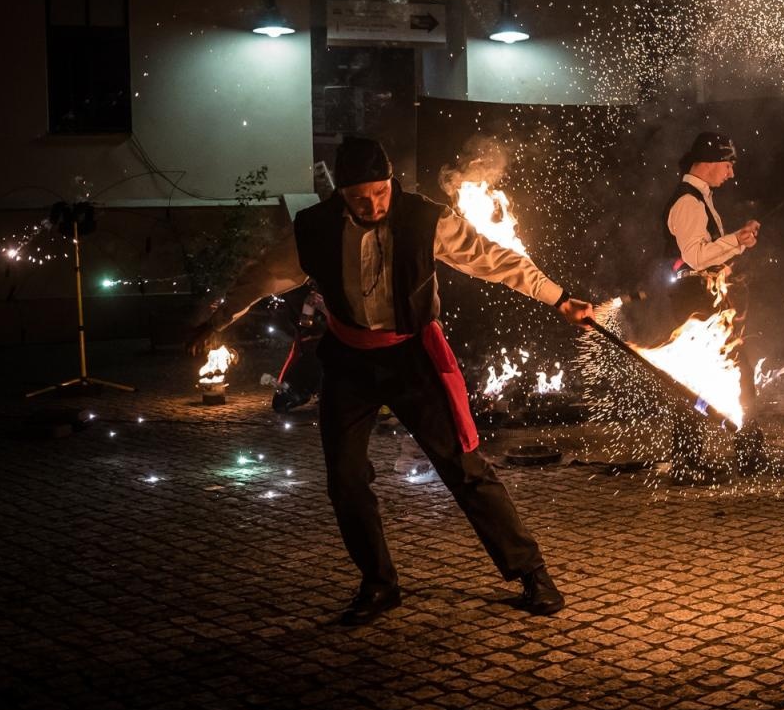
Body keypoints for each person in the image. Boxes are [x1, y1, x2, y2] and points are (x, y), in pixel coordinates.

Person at [187, 137, 593, 624]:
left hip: (412, 358)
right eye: (361, 197)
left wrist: (558, 298)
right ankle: (379, 584)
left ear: (390, 184)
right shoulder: (314, 229)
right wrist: (216, 320)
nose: (373, 204)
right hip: (349, 362)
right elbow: (261, 278)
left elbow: (494, 258)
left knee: (464, 468)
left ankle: (530, 571)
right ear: (342, 193)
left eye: (381, 193)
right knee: (345, 478)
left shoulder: (425, 218)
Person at [656, 132, 766, 477]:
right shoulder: (688, 202)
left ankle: (696, 458)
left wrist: (737, 241)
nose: (731, 173)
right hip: (695, 301)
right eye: (728, 164)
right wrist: (735, 241)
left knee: (712, 374)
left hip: (700, 299)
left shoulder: (698, 197)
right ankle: (737, 457)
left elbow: (703, 251)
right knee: (731, 372)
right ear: (708, 161)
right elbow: (697, 257)